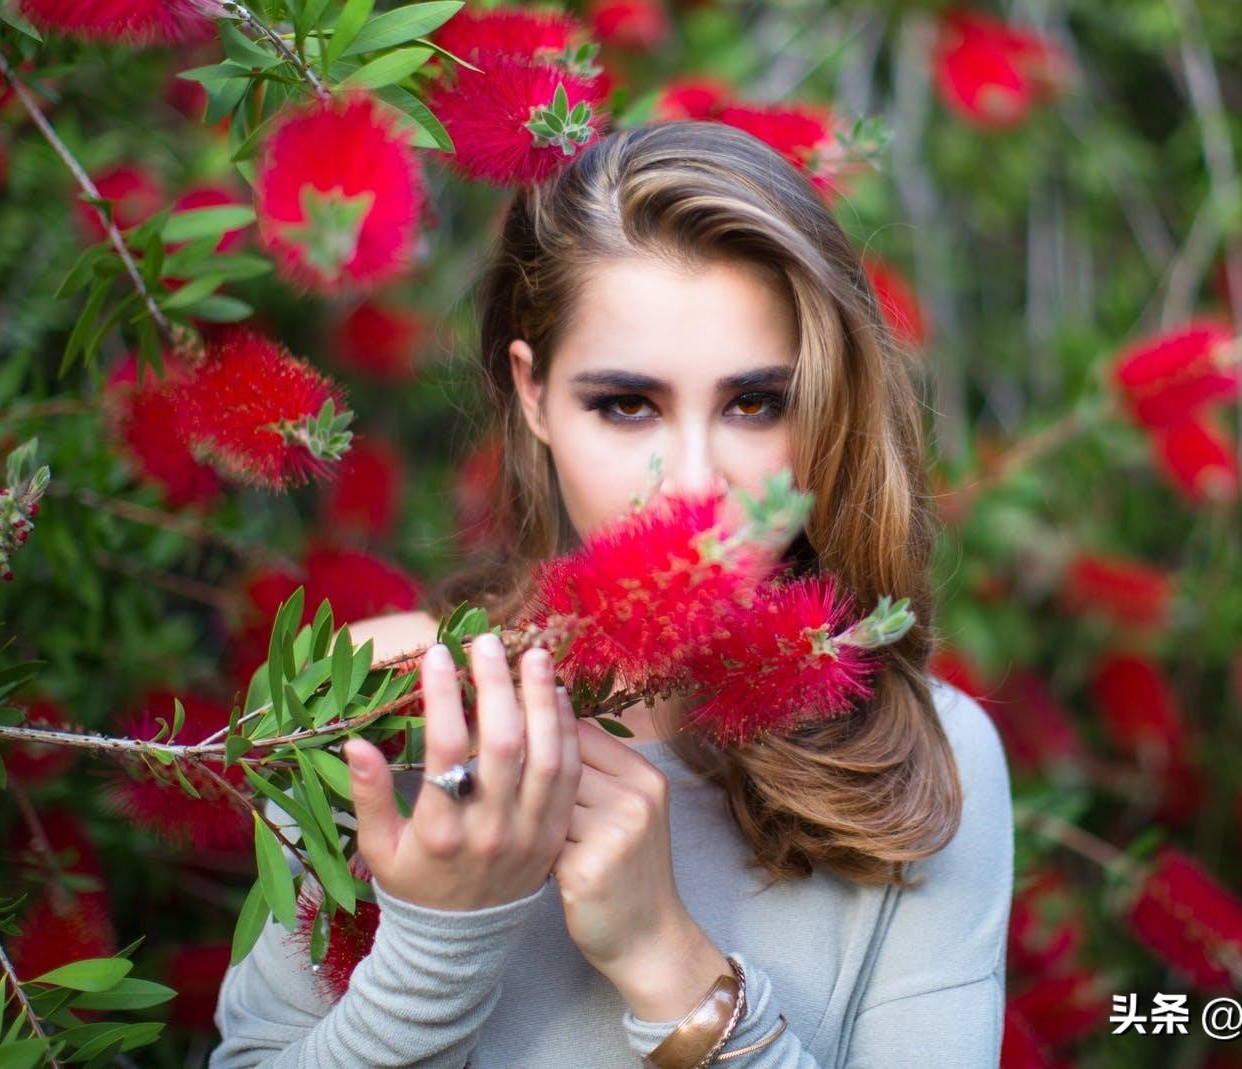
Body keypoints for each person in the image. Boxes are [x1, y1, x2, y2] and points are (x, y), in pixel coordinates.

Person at [210, 120, 1013, 1068]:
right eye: (628, 404)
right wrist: (435, 946)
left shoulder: (927, 762)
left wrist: (670, 967)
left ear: (826, 407)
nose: (693, 483)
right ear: (535, 395)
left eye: (756, 403)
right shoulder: (382, 715)